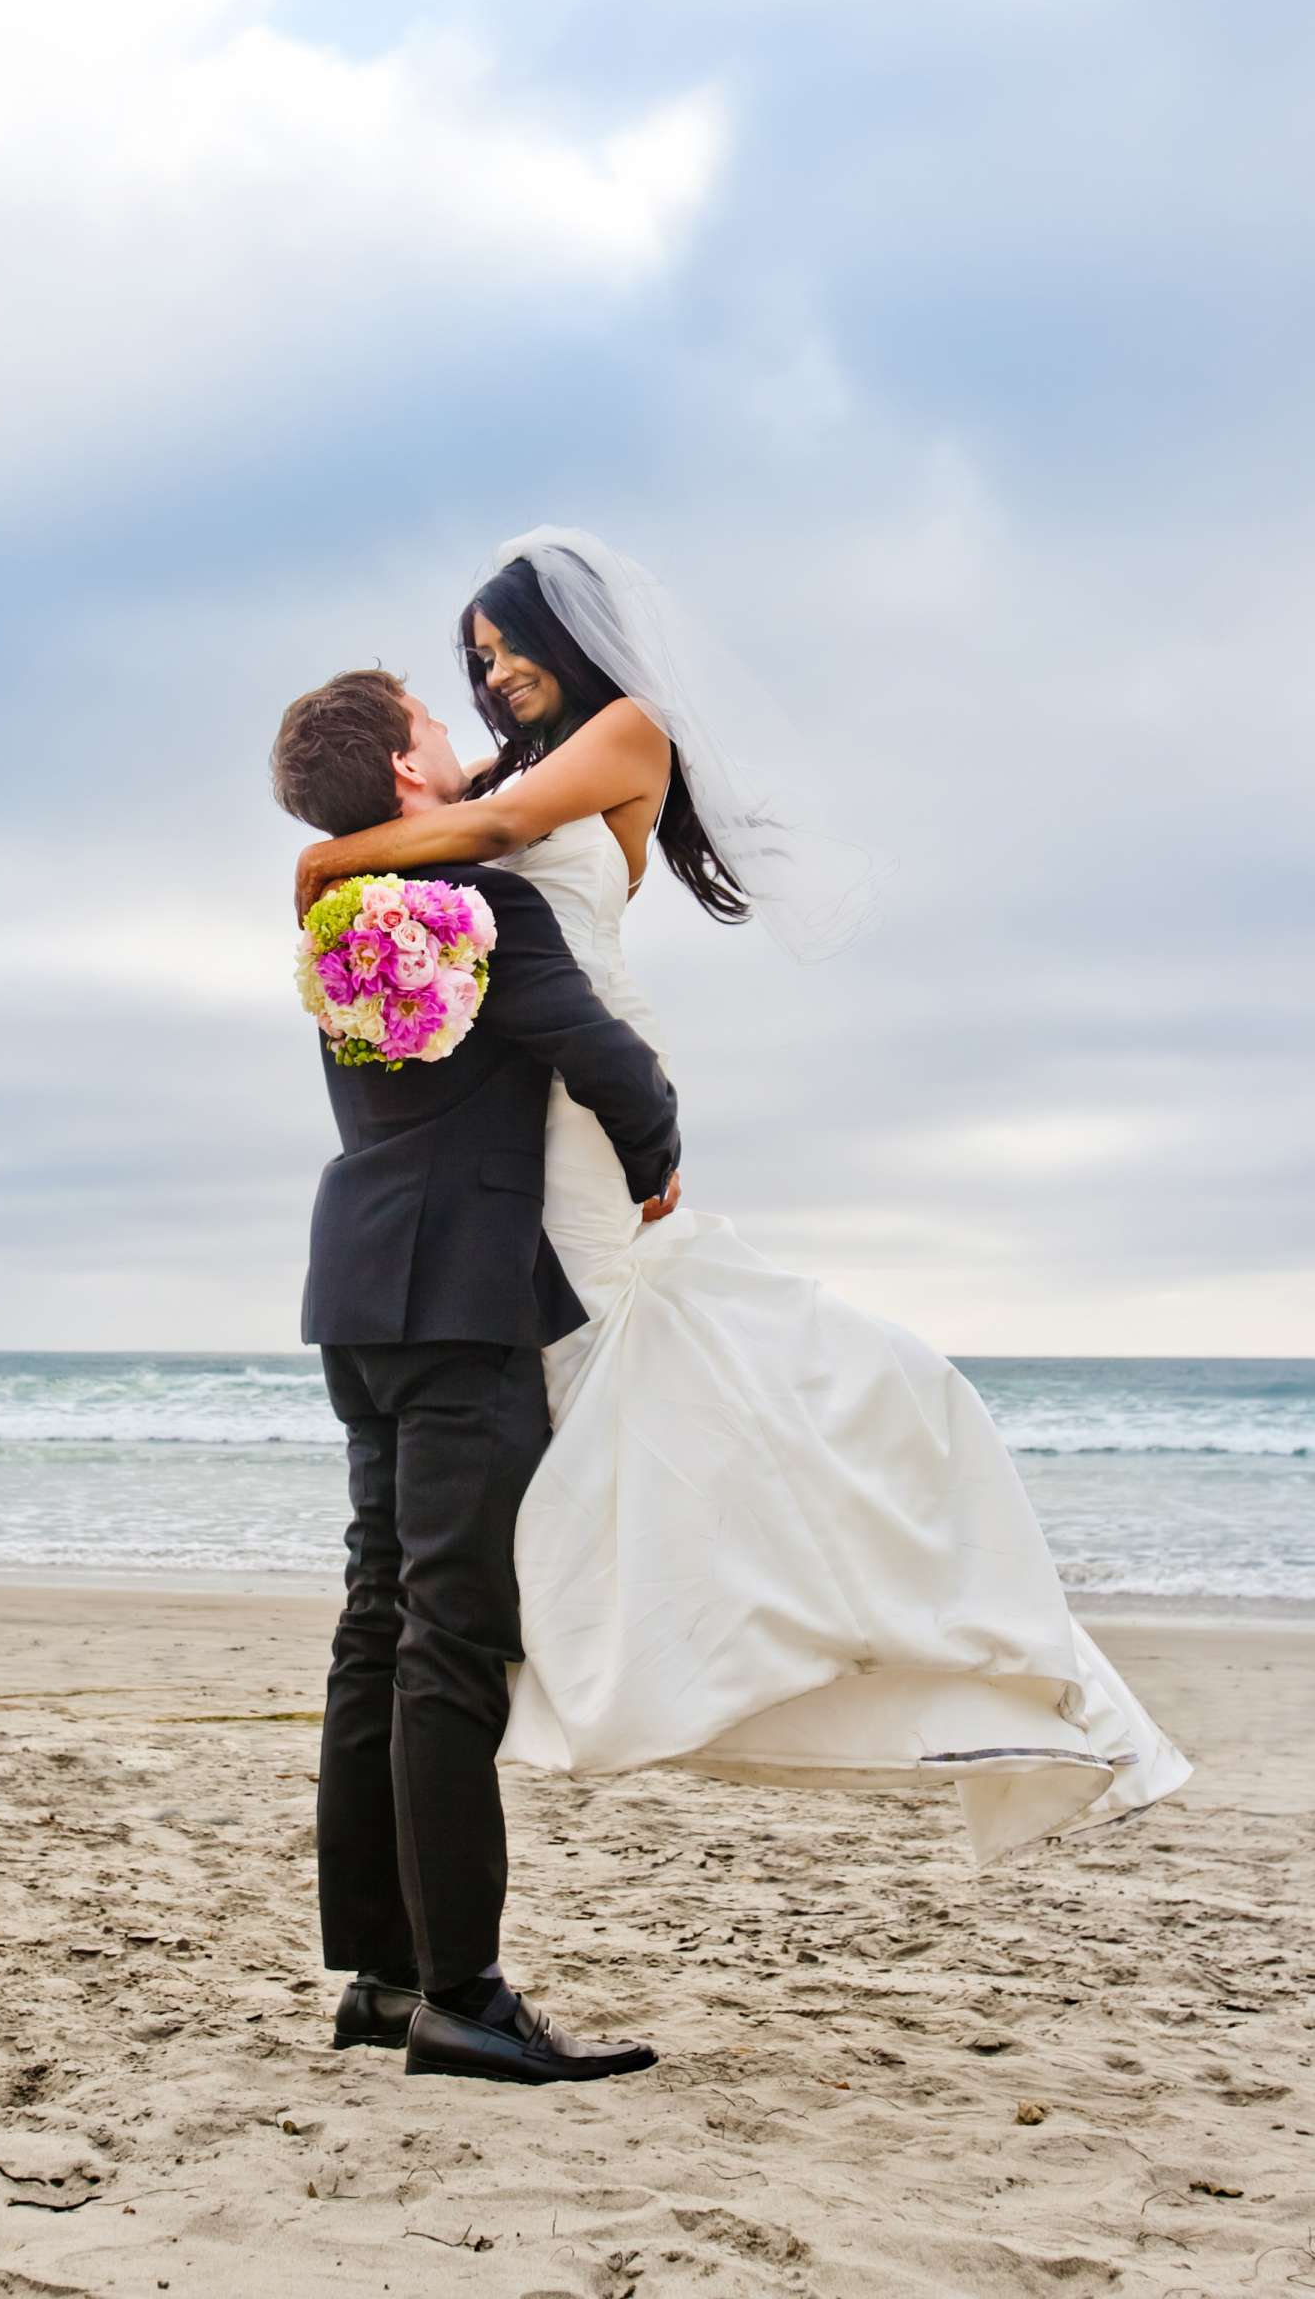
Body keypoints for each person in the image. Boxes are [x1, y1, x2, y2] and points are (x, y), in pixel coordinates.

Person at [288, 528, 1192, 1867]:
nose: (495, 674)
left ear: (573, 634)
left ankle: (814, 1606)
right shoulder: (488, 793)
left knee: (668, 1364)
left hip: (575, 1094)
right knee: (613, 1389)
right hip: (517, 1139)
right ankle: (630, 1621)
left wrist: (318, 865)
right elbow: (444, 814)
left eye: (512, 645)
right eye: (473, 663)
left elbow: (479, 831)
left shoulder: (622, 735)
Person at [269, 666, 680, 2084]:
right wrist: (661, 1155)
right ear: (401, 774)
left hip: (359, 1290)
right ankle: (465, 1993)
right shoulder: (484, 908)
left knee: (377, 1620)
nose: (462, 739)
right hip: (461, 1301)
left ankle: (382, 1978)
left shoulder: (338, 917)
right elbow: (594, 1051)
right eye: (435, 729)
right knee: (451, 1638)